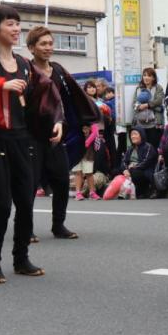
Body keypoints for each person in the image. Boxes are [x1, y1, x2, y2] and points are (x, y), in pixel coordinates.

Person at [0, 5, 62, 283]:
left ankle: (21, 259)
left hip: (21, 138)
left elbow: (46, 94)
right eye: (10, 24)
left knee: (25, 202)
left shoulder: (24, 64)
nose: (16, 28)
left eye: (18, 24)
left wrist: (57, 119)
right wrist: (0, 85)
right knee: (1, 205)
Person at [26, 25, 99, 239]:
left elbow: (73, 97)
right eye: (43, 44)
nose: (48, 47)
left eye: (50, 43)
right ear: (31, 48)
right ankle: (26, 229)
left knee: (61, 179)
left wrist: (84, 120)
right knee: (29, 184)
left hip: (55, 134)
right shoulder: (25, 70)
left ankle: (58, 225)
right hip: (30, 135)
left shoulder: (57, 70)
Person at [114, 126, 156, 199]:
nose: (133, 136)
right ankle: (123, 191)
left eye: (135, 134)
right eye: (131, 135)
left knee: (135, 173)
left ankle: (142, 190)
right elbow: (124, 161)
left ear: (141, 135)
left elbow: (146, 162)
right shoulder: (130, 148)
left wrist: (132, 168)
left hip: (144, 171)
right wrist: (125, 170)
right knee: (115, 171)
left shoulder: (148, 147)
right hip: (131, 170)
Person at [134, 67, 165, 147]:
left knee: (153, 146)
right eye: (144, 75)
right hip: (140, 123)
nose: (146, 77)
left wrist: (147, 105)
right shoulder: (138, 89)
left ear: (153, 78)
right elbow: (134, 103)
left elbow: (159, 100)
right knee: (142, 146)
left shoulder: (158, 88)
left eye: (149, 76)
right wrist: (138, 107)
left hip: (154, 123)